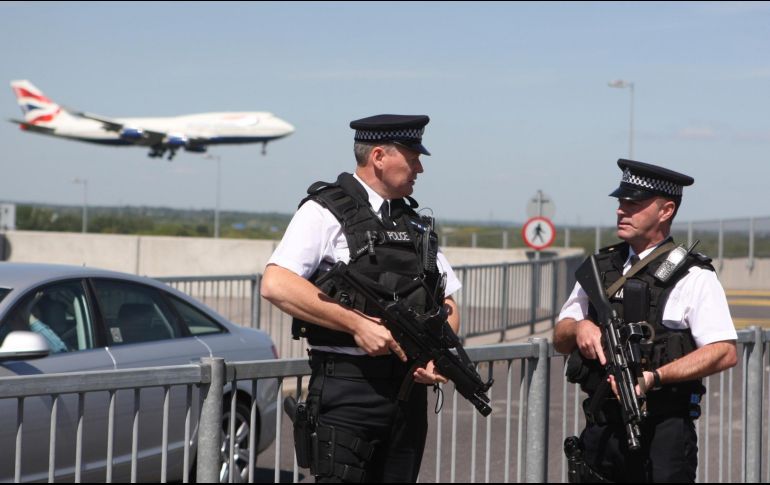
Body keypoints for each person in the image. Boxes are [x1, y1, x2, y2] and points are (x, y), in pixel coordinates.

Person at [261, 114, 461, 482]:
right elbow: (276, 282)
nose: (419, 168)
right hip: (348, 391)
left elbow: (447, 301)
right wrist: (357, 324)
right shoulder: (325, 211)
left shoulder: (414, 224)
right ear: (380, 156)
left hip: (406, 394)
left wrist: (435, 354)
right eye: (412, 157)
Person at [553, 159, 738, 483]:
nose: (621, 210)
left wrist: (655, 377)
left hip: (663, 430)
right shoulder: (599, 267)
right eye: (621, 202)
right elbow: (560, 336)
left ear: (666, 211)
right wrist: (580, 326)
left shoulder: (693, 276)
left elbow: (724, 350)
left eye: (633, 203)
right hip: (602, 426)